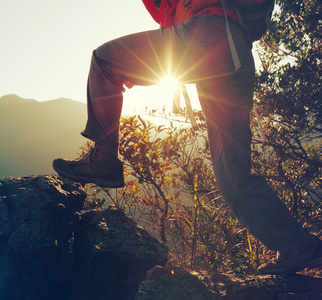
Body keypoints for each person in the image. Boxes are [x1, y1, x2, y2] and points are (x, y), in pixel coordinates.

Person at [53, 0, 322, 275]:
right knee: (232, 174)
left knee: (105, 61)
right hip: (233, 55)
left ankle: (104, 161)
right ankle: (298, 246)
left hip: (208, 36)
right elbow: (166, 17)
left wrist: (130, 65)